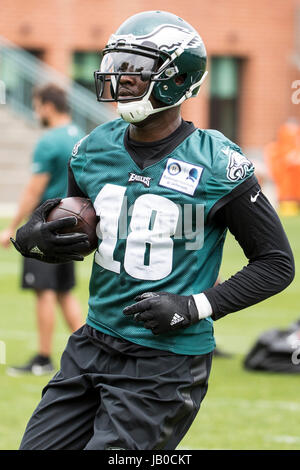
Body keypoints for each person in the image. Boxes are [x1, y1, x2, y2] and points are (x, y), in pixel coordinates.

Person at [11, 11, 294, 450]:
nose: (119, 79)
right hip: (92, 342)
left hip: (165, 362)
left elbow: (276, 263)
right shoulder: (91, 149)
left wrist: (195, 306)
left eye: (134, 70)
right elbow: (70, 229)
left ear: (176, 80)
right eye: (116, 66)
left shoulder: (218, 162)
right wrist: (33, 238)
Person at [0, 84, 84, 376]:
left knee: (44, 292)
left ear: (48, 106)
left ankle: (43, 358)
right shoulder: (79, 137)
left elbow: (33, 190)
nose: (36, 112)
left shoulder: (49, 141)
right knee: (63, 293)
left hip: (45, 227)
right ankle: (93, 352)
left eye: (37, 106)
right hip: (71, 226)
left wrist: (11, 226)